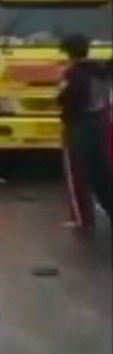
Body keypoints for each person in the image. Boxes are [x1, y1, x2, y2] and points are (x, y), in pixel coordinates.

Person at [57, 33, 112, 229]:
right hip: (101, 123)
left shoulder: (71, 73)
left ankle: (82, 218)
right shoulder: (101, 70)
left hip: (78, 125)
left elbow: (63, 98)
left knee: (76, 173)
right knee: (102, 171)